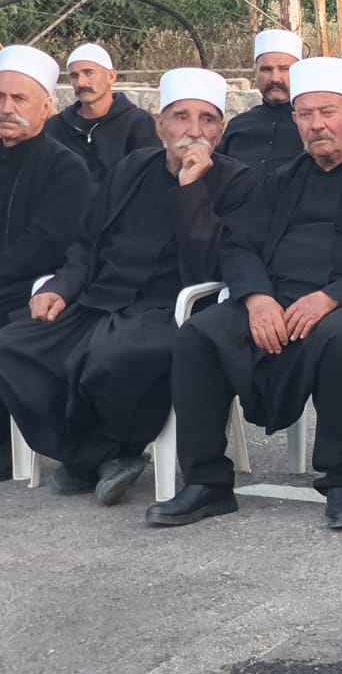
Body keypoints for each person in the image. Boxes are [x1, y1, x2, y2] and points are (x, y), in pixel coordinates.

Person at [146, 57, 342, 530]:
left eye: (327, 113)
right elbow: (239, 244)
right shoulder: (277, 181)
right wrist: (257, 299)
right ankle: (207, 483)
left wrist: (329, 298)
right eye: (306, 115)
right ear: (295, 121)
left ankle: (341, 483)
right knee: (198, 335)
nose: (317, 125)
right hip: (276, 299)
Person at [0, 68, 253, 504]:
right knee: (15, 345)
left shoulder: (236, 181)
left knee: (109, 356)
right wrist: (61, 287)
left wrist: (191, 190)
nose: (194, 130)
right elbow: (86, 242)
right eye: (181, 117)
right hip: (99, 299)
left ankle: (105, 450)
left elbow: (208, 266)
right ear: (160, 124)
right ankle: (97, 454)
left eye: (207, 119)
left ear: (221, 129)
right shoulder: (132, 168)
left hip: (169, 308)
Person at [0, 45, 92, 471]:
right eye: (1, 97)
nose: (7, 108)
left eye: (19, 99)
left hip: (30, 288)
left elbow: (45, 245)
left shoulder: (65, 168)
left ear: (47, 108)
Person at [43, 43, 158, 189]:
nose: (81, 83)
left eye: (89, 73)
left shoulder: (138, 123)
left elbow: (148, 181)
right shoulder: (56, 127)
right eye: (74, 76)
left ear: (111, 76)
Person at [217, 29, 305, 173]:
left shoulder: (312, 128)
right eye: (266, 69)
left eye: (284, 69)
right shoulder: (237, 126)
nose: (275, 78)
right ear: (256, 73)